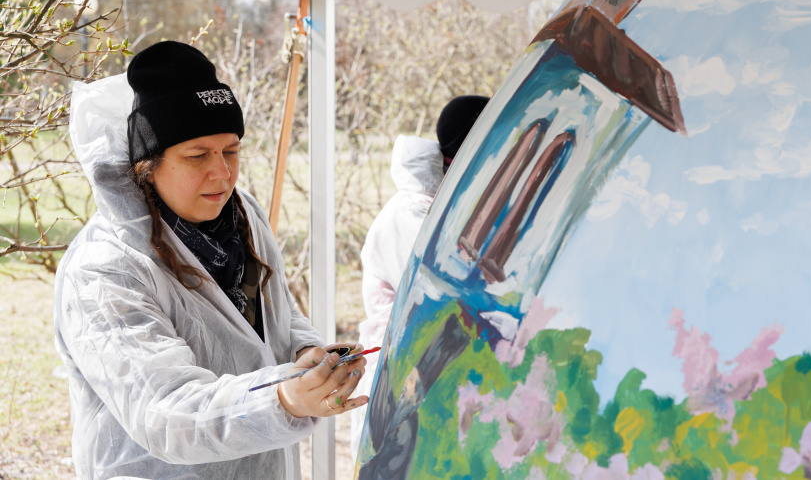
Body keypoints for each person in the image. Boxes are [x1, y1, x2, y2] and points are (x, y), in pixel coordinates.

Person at [54, 41, 367, 479]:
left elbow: (275, 314)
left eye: (231, 151)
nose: (222, 173)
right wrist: (281, 398)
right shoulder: (104, 269)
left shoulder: (241, 214)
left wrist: (306, 351)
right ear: (147, 166)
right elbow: (164, 413)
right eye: (198, 155)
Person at [349, 94, 488, 459]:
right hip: (396, 383)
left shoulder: (446, 203)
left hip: (426, 373)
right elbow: (443, 292)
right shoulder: (410, 213)